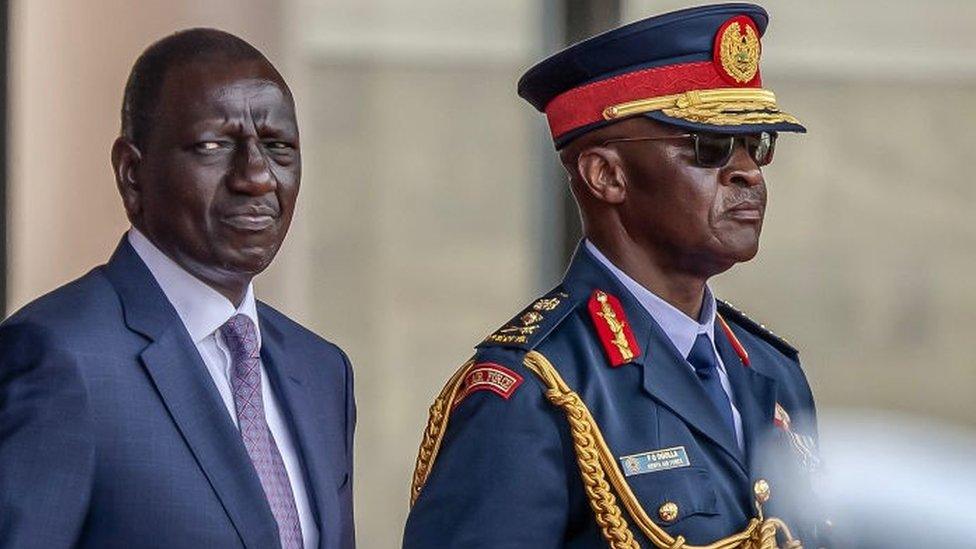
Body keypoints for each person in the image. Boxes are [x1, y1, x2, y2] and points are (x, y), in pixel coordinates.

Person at [404, 4, 830, 548]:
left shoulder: (772, 371)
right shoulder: (534, 389)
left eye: (757, 144)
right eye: (709, 147)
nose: (746, 170)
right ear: (606, 174)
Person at [0, 29, 354, 549]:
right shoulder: (60, 357)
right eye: (214, 146)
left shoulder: (322, 371)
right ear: (132, 174)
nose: (256, 177)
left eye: (278, 146)